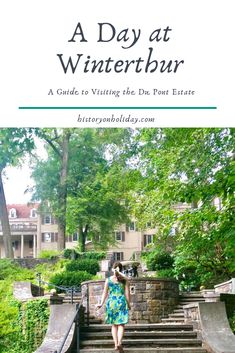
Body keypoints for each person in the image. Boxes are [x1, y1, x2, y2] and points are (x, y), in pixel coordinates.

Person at [96, 261, 131, 353]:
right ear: (121, 269)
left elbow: (105, 293)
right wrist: (129, 304)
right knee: (121, 324)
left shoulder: (108, 280)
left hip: (111, 303)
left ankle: (115, 344)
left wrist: (101, 303)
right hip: (121, 302)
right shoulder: (125, 280)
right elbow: (127, 294)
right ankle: (119, 342)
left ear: (112, 269)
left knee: (114, 325)